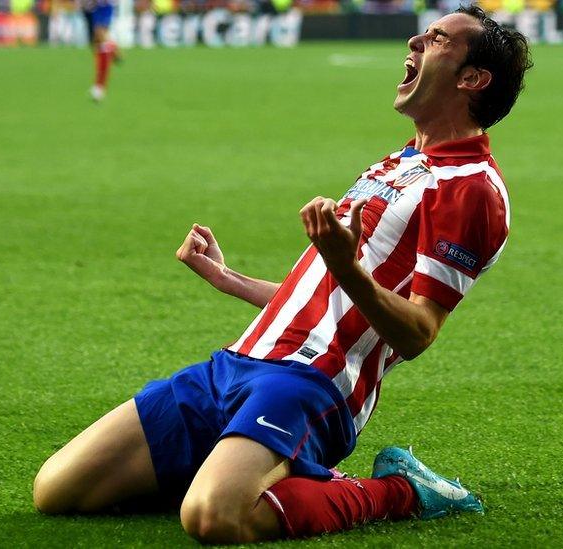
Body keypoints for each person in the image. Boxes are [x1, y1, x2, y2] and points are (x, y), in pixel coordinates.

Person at [33, 6, 531, 543]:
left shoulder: (472, 189)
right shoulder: (401, 161)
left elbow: (417, 333)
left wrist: (345, 266)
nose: (414, 40)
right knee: (58, 490)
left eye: (436, 41)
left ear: (473, 79)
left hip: (313, 384)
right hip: (238, 363)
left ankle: (401, 491)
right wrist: (231, 280)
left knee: (212, 518)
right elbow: (321, 298)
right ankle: (239, 470)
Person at [82, 0, 120, 101]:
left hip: (105, 5)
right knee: (97, 44)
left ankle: (99, 88)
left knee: (100, 36)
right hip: (95, 7)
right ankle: (99, 86)